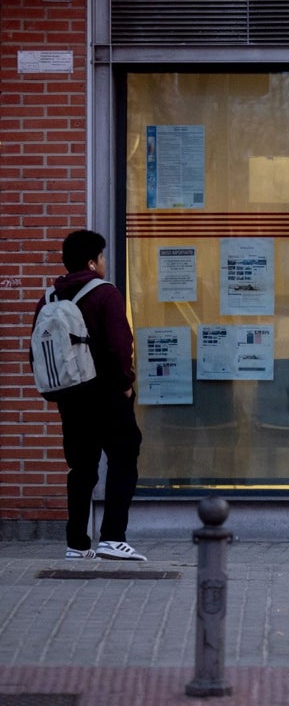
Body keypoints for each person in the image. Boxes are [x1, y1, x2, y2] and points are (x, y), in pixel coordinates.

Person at [31, 230, 146, 561]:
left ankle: (77, 544)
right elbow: (120, 345)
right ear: (92, 262)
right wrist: (126, 382)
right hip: (108, 394)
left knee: (81, 468)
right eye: (103, 257)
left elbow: (35, 351)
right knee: (124, 458)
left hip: (71, 396)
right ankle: (112, 537)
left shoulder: (50, 298)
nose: (105, 263)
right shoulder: (105, 293)